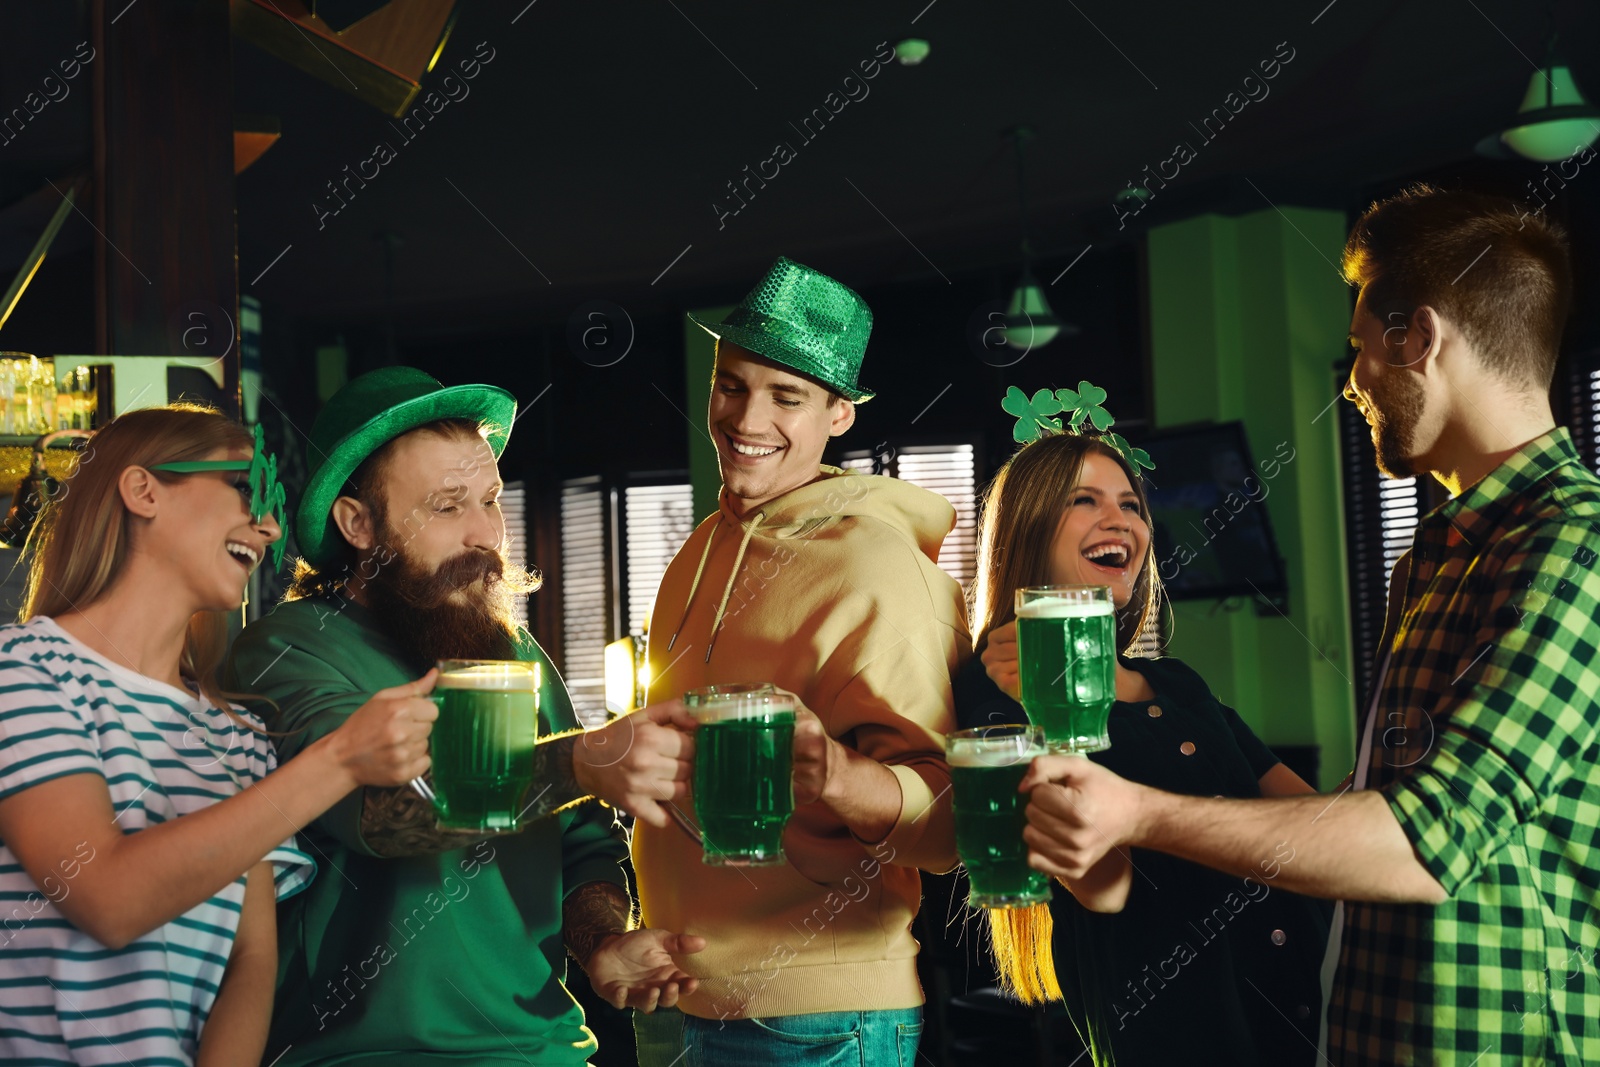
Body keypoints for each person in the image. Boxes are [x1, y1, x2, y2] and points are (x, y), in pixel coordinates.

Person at [1016, 185, 1600, 1065]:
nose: (1357, 383)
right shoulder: (1433, 558)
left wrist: (1134, 811)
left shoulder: (1576, 545)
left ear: (1422, 339)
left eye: (1362, 350)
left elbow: (1425, 840)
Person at [225, 368, 703, 1066]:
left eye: (490, 499)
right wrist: (574, 760)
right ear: (358, 523)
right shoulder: (287, 650)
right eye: (449, 506)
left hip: (549, 1051)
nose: (487, 534)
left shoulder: (515, 651)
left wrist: (604, 941)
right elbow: (380, 815)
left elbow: (579, 843)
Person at [0, 405, 435, 1066]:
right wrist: (342, 758)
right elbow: (107, 898)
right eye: (244, 486)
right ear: (144, 490)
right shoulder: (24, 669)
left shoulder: (238, 733)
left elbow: (250, 962)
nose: (266, 527)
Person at [630, 256, 966, 1066]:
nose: (749, 415)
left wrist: (835, 776)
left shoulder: (877, 566)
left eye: (788, 396)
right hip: (684, 996)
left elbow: (952, 823)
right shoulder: (698, 550)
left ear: (840, 414)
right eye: (733, 385)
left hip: (817, 1016)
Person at [962, 401, 1330, 1065]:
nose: (1121, 519)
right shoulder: (996, 704)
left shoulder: (1179, 684)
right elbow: (1106, 886)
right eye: (1084, 500)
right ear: (1028, 531)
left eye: (1131, 504)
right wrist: (1045, 714)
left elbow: (1317, 823)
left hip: (1313, 1014)